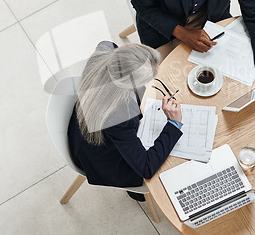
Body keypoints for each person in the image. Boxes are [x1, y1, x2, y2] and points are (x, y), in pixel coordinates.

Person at [67, 41, 183, 201]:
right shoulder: (120, 116)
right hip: (99, 158)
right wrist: (173, 123)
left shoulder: (106, 51)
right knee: (168, 168)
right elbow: (146, 168)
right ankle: (135, 191)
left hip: (84, 126)